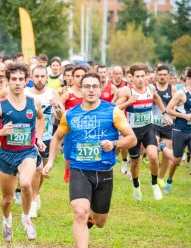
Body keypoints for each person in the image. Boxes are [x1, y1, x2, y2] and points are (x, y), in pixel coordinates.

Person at [42, 72, 136, 247]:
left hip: (104, 172)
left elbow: (132, 139)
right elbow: (56, 137)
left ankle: (92, 217)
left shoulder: (112, 111)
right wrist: (49, 161)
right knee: (79, 211)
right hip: (79, 170)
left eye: (94, 86)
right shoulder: (70, 114)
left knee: (100, 221)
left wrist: (114, 143)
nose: (91, 90)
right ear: (81, 89)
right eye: (87, 86)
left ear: (100, 89)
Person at [0, 63, 46, 242]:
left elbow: (40, 118)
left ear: (26, 81)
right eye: (14, 79)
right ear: (8, 82)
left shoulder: (34, 103)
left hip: (27, 152)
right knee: (7, 200)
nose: (17, 83)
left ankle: (26, 219)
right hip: (5, 155)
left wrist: (39, 139)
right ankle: (6, 220)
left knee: (26, 184)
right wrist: (0, 132)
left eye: (21, 79)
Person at [116, 63, 171, 201]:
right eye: (137, 77)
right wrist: (128, 102)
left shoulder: (150, 88)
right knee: (135, 162)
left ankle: (154, 185)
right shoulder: (127, 91)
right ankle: (136, 185)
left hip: (148, 128)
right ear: (132, 78)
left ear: (146, 76)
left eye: (143, 76)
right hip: (132, 132)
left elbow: (157, 98)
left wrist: (164, 113)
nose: (140, 79)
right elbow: (115, 108)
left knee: (153, 155)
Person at [162, 68, 191, 198]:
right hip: (180, 130)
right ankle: (169, 180)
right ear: (188, 79)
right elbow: (168, 109)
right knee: (177, 160)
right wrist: (184, 116)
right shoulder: (180, 94)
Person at [24, 65, 63, 218]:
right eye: (37, 76)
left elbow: (61, 116)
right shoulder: (25, 93)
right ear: (31, 78)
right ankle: (32, 203)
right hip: (28, 137)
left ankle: (36, 193)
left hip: (46, 137)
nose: (39, 80)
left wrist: (57, 107)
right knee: (36, 169)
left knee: (42, 170)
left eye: (42, 76)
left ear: (47, 77)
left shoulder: (52, 93)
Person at [152, 65, 177, 188]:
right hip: (154, 124)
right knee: (154, 150)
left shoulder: (173, 89)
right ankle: (155, 175)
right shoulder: (152, 88)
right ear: (156, 74)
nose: (162, 77)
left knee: (167, 154)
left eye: (164, 74)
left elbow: (177, 105)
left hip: (168, 125)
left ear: (168, 75)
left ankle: (161, 178)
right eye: (160, 74)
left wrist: (175, 113)